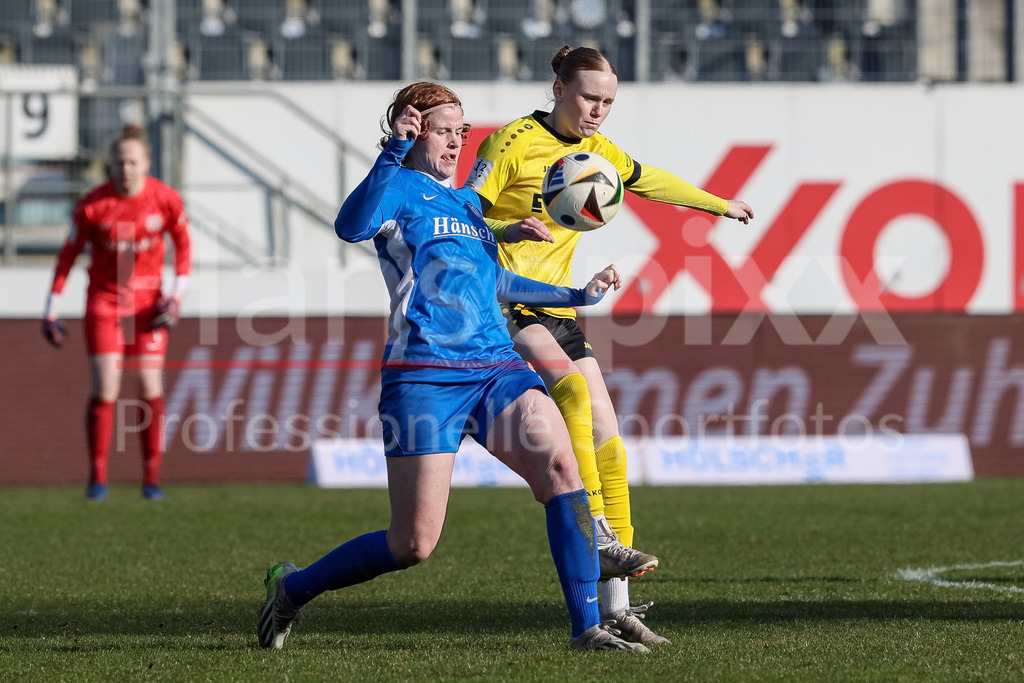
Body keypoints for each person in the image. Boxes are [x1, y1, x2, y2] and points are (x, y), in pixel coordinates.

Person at [257, 82, 646, 653]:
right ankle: (291, 590)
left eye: (462, 132)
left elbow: (497, 282)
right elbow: (351, 226)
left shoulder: (467, 202)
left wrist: (576, 294)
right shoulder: (396, 187)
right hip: (423, 377)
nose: (457, 142)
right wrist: (391, 152)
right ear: (412, 129)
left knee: (563, 470)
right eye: (444, 130)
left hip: (496, 367)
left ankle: (585, 627)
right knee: (412, 543)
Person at [467, 45, 755, 645]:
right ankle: (595, 529)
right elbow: (460, 216)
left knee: (607, 430)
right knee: (571, 394)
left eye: (608, 102)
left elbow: (646, 179)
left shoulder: (598, 151)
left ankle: (617, 604)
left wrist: (719, 204)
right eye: (588, 98)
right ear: (558, 89)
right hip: (504, 298)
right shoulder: (511, 143)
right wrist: (506, 227)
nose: (598, 111)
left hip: (558, 304)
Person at [42, 124, 192, 502]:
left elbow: (184, 249)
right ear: (110, 164)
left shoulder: (166, 199)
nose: (125, 168)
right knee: (106, 386)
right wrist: (51, 309)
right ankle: (97, 479)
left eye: (132, 161)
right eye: (119, 161)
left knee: (149, 386)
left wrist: (176, 297)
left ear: (146, 163)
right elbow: (67, 256)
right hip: (106, 303)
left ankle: (152, 479)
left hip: (147, 306)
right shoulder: (94, 205)